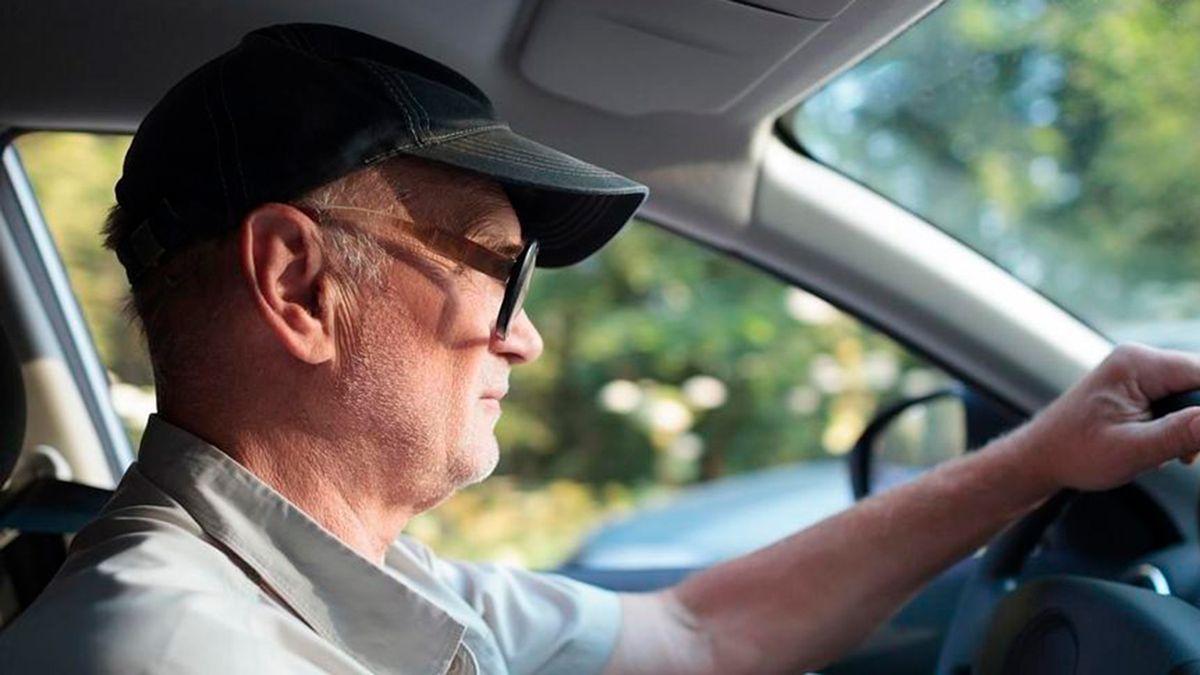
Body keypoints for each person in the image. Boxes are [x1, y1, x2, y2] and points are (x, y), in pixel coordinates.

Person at [3, 22, 1200, 675]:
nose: (522, 336)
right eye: (499, 268)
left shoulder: (374, 583)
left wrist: (1039, 455)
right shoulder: (163, 650)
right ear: (298, 285)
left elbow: (702, 636)